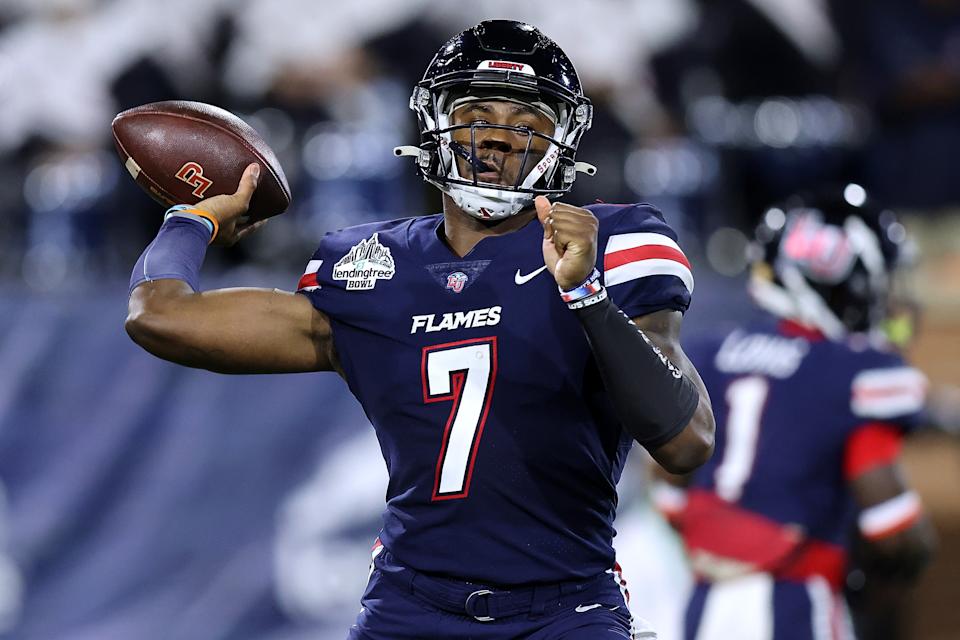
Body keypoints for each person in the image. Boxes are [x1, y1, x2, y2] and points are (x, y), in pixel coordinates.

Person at [125, 20, 715, 640]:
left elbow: (685, 441)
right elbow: (159, 315)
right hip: (410, 606)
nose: (497, 137)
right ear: (435, 124)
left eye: (527, 121)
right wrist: (190, 221)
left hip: (567, 610)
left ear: (562, 140)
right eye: (476, 114)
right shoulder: (371, 267)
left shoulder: (613, 241)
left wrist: (585, 293)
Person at [651, 185, 936, 639]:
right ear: (839, 278)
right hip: (794, 602)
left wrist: (728, 538)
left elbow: (668, 487)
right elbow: (894, 531)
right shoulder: (857, 368)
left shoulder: (710, 352)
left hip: (706, 600)